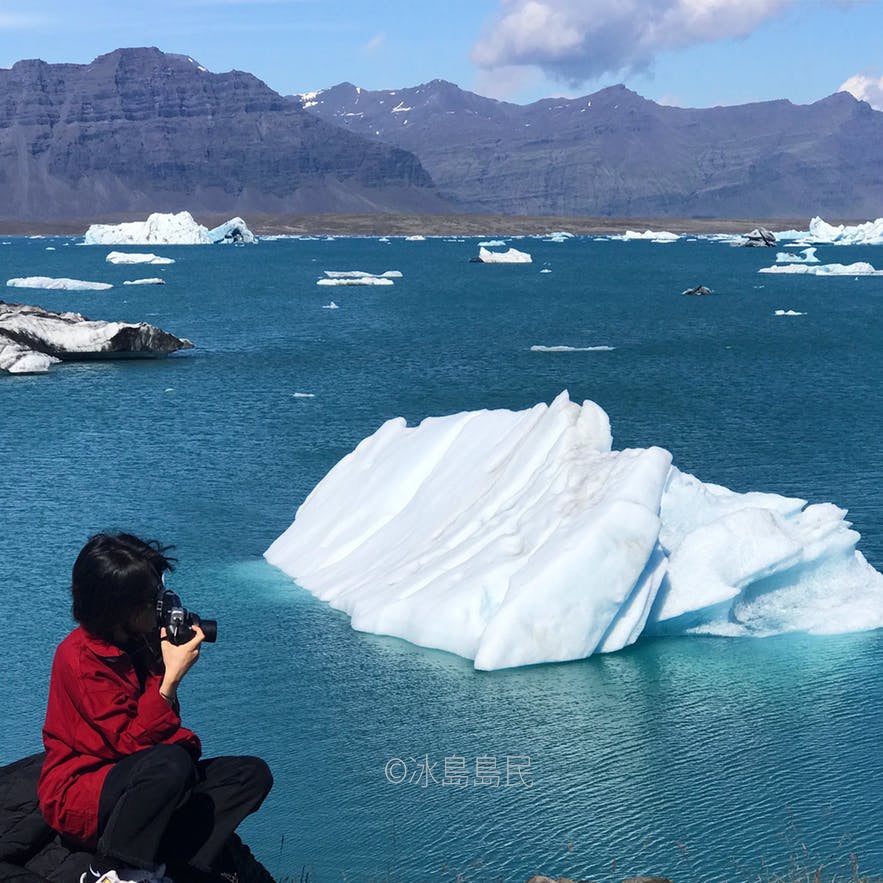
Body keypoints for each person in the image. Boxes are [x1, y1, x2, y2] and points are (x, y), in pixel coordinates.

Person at [38, 533, 273, 883]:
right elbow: (128, 742)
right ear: (121, 611)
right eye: (152, 601)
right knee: (172, 763)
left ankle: (178, 865)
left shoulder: (138, 641)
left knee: (250, 775)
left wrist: (163, 656)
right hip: (84, 791)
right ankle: (112, 871)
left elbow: (158, 736)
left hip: (143, 781)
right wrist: (170, 680)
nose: (161, 605)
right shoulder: (78, 658)